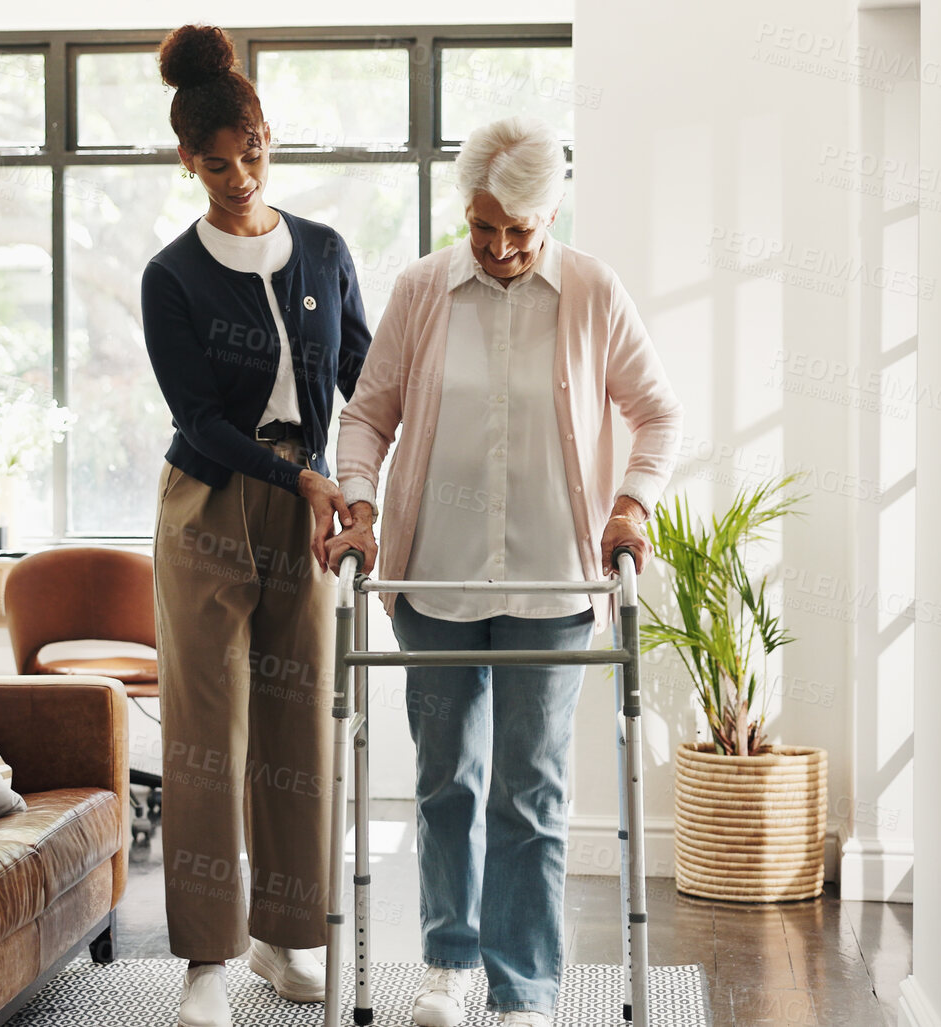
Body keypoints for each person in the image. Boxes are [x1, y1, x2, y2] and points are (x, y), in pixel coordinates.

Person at [326, 115, 682, 1027]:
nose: (499, 248)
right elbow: (366, 416)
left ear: (551, 214)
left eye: (518, 231)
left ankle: (522, 987)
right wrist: (360, 505)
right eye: (483, 227)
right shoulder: (422, 290)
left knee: (530, 789)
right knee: (446, 780)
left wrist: (630, 505)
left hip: (553, 581)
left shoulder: (592, 290)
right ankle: (447, 962)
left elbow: (657, 412)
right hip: (434, 578)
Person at [140, 23, 372, 1027]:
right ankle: (205, 960)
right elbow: (199, 418)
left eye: (253, 154)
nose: (240, 178)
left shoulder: (323, 250)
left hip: (307, 509)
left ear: (268, 136)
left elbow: (366, 382)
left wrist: (356, 487)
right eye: (218, 164)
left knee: (298, 723)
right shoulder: (171, 275)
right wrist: (302, 479)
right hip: (207, 503)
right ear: (187, 161)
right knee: (206, 735)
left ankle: (285, 937)